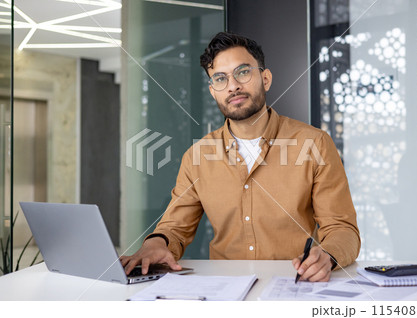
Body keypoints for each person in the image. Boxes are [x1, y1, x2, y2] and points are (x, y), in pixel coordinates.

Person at [121, 32, 360, 282]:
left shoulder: (315, 144)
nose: (233, 85)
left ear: (265, 78)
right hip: (225, 292)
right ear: (213, 92)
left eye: (243, 72)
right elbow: (174, 228)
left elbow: (343, 229)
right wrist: (155, 244)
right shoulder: (197, 156)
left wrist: (328, 255)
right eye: (220, 79)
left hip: (295, 285)